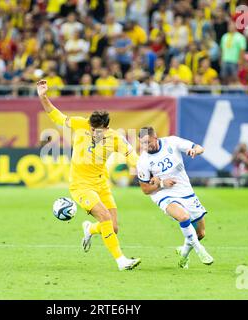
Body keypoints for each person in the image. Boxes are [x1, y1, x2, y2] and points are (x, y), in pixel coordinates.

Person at [36, 79, 141, 271]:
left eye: (97, 131)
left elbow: (131, 156)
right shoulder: (80, 124)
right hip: (80, 186)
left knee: (113, 228)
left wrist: (141, 170)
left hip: (102, 185)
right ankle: (121, 261)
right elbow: (57, 117)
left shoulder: (115, 138)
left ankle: (90, 228)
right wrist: (43, 97)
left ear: (107, 128)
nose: (93, 133)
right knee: (105, 218)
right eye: (91, 129)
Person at [136, 127, 214, 269]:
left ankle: (184, 255)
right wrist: (161, 183)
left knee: (200, 233)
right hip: (163, 194)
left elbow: (199, 147)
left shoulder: (172, 142)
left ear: (155, 137)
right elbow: (145, 189)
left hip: (184, 190)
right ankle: (200, 250)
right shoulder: (143, 161)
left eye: (148, 142)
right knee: (184, 217)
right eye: (142, 143)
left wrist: (195, 151)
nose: (145, 146)